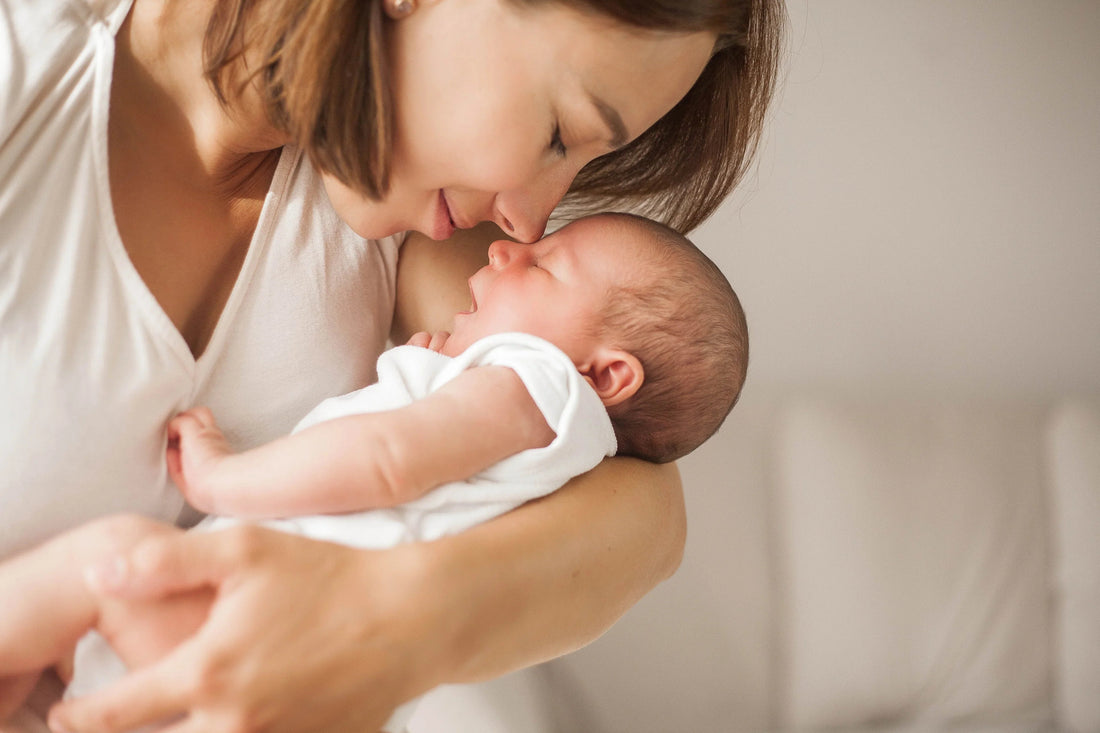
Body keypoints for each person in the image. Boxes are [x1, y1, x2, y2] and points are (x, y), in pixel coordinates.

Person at [0, 0, 783, 729]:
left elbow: (643, 509)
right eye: (559, 133)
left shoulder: (408, 223)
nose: (529, 218)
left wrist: (389, 621)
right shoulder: (28, 86)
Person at [0, 212, 749, 731]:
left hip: (243, 622)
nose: (507, 247)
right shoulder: (552, 444)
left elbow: (388, 460)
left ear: (606, 375)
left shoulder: (540, 379)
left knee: (101, 565)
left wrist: (223, 477)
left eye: (547, 264)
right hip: (305, 685)